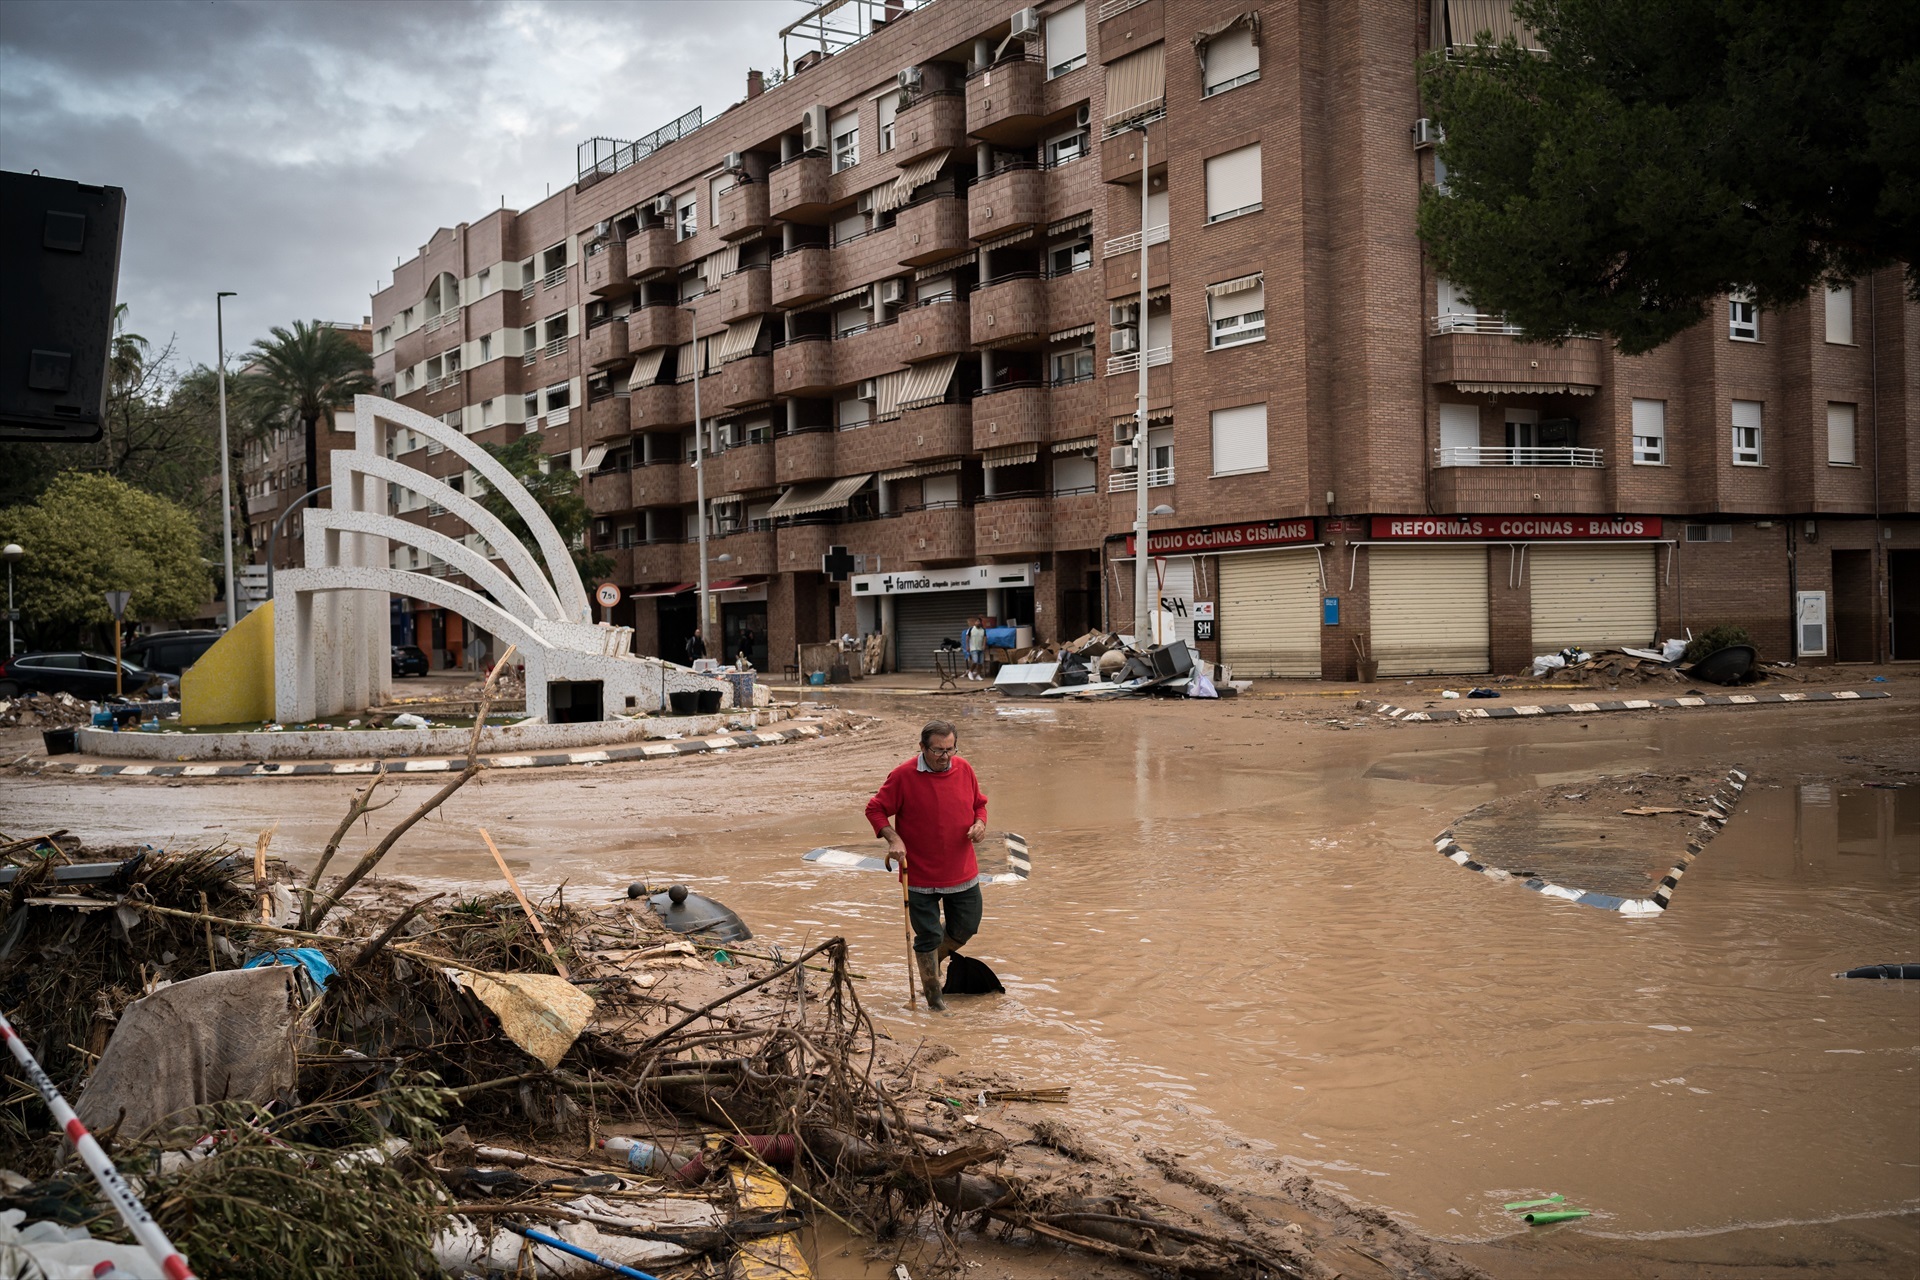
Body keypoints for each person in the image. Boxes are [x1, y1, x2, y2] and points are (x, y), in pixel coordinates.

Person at [864, 719, 987, 1011]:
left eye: (950, 749)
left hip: (961, 868)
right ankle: (935, 1000)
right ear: (922, 748)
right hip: (918, 872)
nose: (945, 757)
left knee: (967, 925)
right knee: (929, 935)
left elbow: (979, 804)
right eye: (938, 751)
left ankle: (932, 961)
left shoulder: (964, 768)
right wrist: (894, 840)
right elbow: (876, 809)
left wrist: (980, 823)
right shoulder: (904, 775)